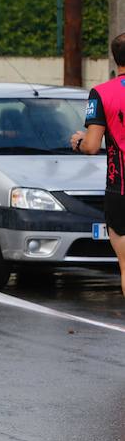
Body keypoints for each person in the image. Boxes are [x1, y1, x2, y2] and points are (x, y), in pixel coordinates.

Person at [71, 31, 125, 297]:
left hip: (120, 188)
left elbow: (92, 146)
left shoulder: (101, 93)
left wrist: (80, 141)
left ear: (116, 61)